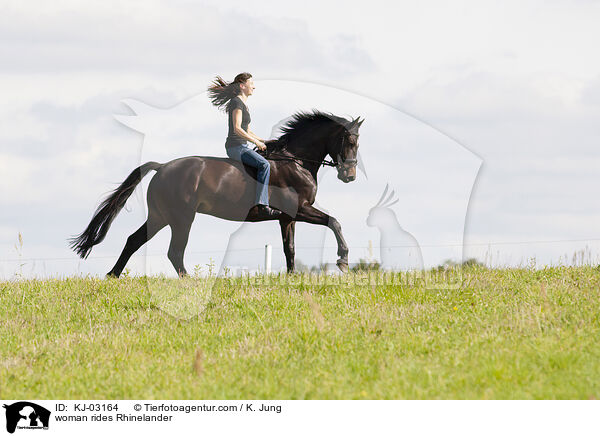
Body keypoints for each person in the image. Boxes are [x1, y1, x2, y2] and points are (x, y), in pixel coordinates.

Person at [207, 73, 281, 218]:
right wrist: (256, 143)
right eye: (251, 83)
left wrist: (263, 141)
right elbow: (237, 129)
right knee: (264, 165)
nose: (254, 86)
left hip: (242, 146)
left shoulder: (244, 105)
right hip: (236, 147)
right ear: (242, 86)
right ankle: (262, 204)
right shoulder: (236, 102)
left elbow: (247, 130)